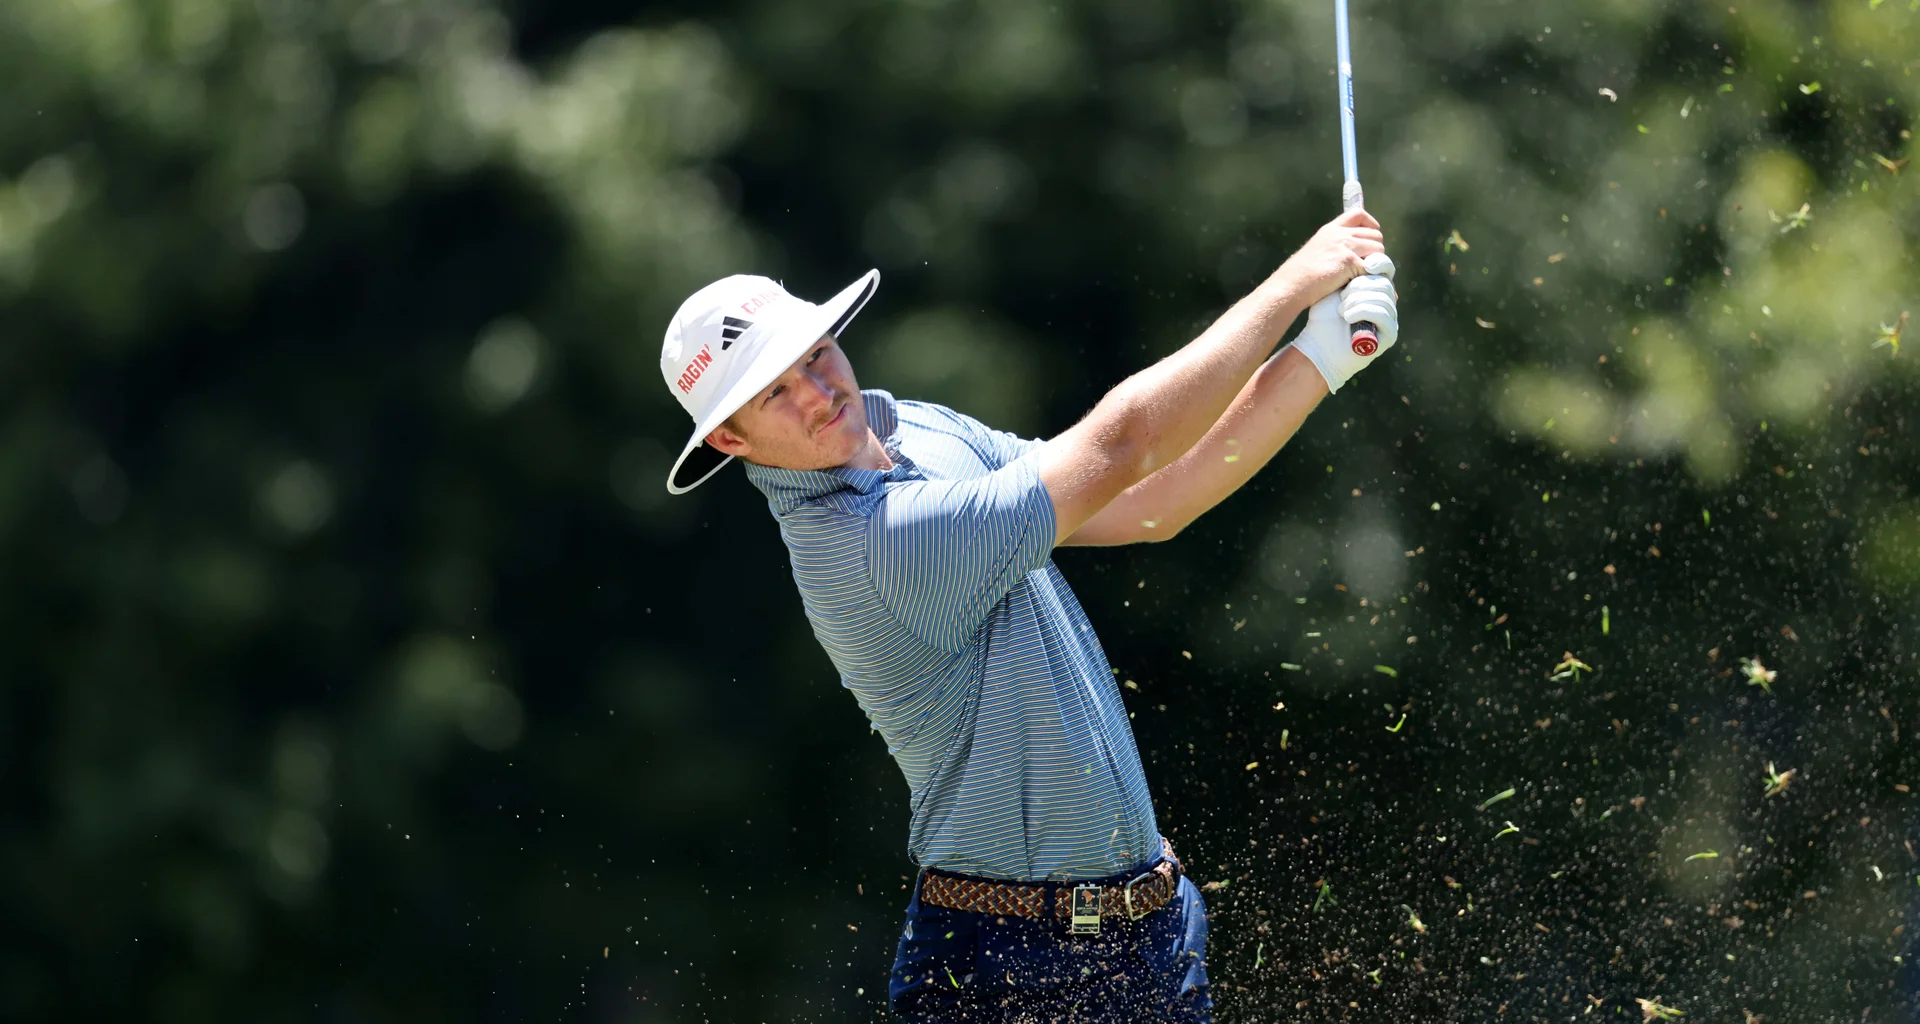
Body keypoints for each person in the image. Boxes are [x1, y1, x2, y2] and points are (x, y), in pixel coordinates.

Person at [657, 209, 1397, 1022]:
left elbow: (1150, 502)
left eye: (816, 356)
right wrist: (1296, 281)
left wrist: (1324, 353)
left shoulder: (917, 430)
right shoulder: (867, 548)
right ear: (729, 438)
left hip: (1149, 934)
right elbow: (1123, 443)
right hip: (1007, 974)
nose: (819, 394)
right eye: (775, 393)